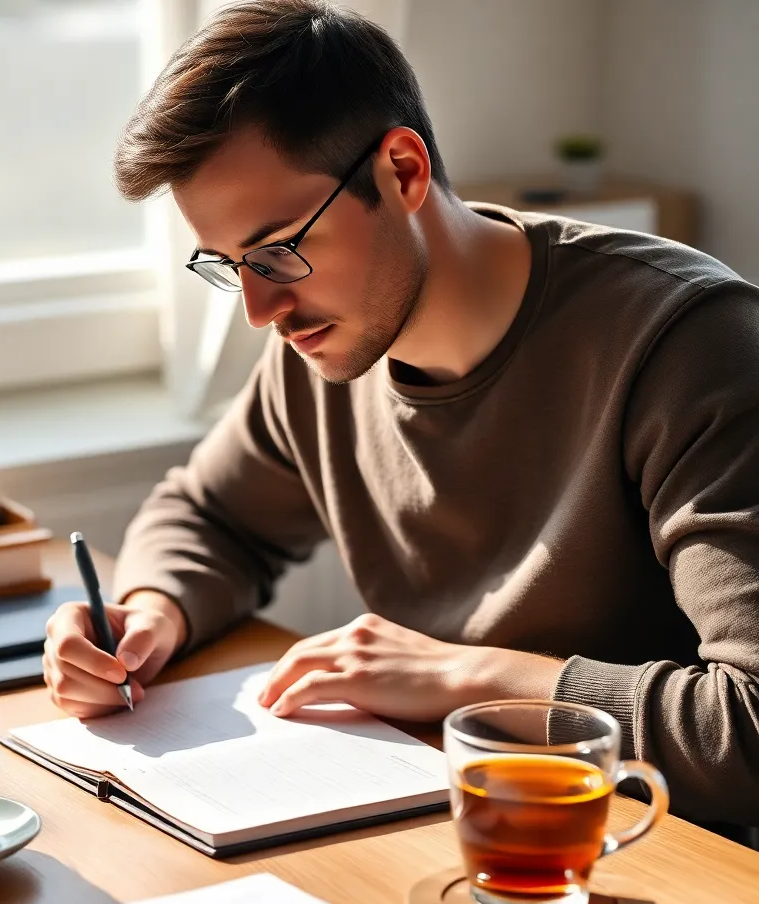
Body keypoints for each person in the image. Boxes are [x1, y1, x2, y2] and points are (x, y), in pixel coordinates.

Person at [43, 0, 759, 831]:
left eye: (279, 249)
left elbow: (747, 726)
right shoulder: (321, 346)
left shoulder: (691, 345)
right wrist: (149, 613)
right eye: (228, 264)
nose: (260, 308)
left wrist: (468, 677)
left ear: (403, 170)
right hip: (448, 821)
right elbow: (208, 514)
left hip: (652, 859)